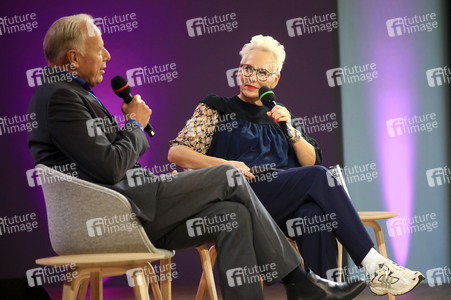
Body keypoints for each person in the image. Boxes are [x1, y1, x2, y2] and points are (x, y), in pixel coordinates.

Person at [27, 14, 367, 300]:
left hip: (136, 204)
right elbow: (112, 165)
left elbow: (109, 159)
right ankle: (299, 282)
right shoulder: (59, 97)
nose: (107, 56)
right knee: (229, 177)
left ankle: (299, 286)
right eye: (99, 48)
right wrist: (134, 124)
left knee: (232, 215)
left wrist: (128, 125)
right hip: (118, 214)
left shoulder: (71, 94)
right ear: (73, 58)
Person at [168, 34, 425, 296]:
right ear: (239, 68)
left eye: (261, 72)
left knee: (315, 216)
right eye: (246, 68)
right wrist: (226, 165)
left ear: (275, 80)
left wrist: (291, 131)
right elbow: (177, 151)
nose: (251, 77)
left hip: (278, 206)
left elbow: (311, 160)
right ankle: (375, 265)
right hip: (238, 198)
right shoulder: (216, 107)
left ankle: (324, 293)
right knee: (318, 178)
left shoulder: (279, 115)